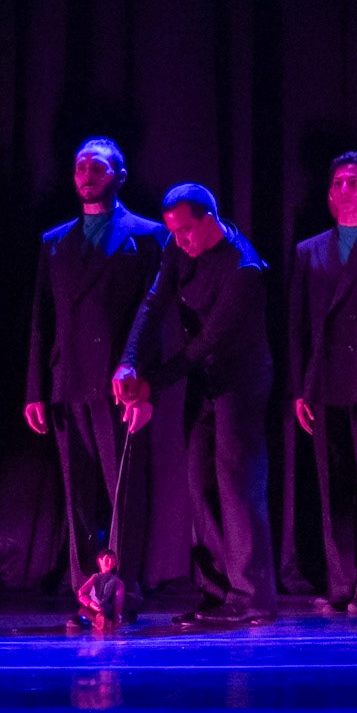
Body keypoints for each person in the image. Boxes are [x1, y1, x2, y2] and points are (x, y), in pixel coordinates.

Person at [113, 183, 278, 626]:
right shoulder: (176, 247)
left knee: (236, 482)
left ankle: (252, 598)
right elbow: (153, 304)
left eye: (186, 230)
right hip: (203, 380)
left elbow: (207, 340)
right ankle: (216, 590)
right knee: (199, 480)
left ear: (210, 219)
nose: (179, 239)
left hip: (240, 380)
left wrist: (152, 384)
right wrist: (129, 363)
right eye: (173, 231)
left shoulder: (243, 268)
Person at [24, 138, 166, 611]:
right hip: (67, 380)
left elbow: (154, 315)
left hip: (117, 381)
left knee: (123, 488)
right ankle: (86, 587)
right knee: (77, 492)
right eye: (80, 166)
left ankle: (122, 586)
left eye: (97, 167)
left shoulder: (147, 235)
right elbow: (42, 320)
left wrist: (144, 385)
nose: (86, 174)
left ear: (119, 176)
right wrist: (35, 390)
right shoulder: (55, 241)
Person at [289, 152, 357, 615]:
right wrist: (300, 387)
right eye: (337, 183)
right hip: (325, 380)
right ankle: (340, 579)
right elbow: (299, 324)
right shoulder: (309, 250)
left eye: (353, 183)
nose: (343, 191)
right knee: (332, 486)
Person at [68, 548, 125, 631]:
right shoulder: (95, 577)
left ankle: (101, 620)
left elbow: (118, 602)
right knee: (82, 614)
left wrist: (117, 617)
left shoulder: (117, 582)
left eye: (113, 560)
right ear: (99, 560)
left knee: (106, 617)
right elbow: (82, 593)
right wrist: (90, 603)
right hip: (93, 607)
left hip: (107, 609)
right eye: (107, 559)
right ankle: (95, 620)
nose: (110, 562)